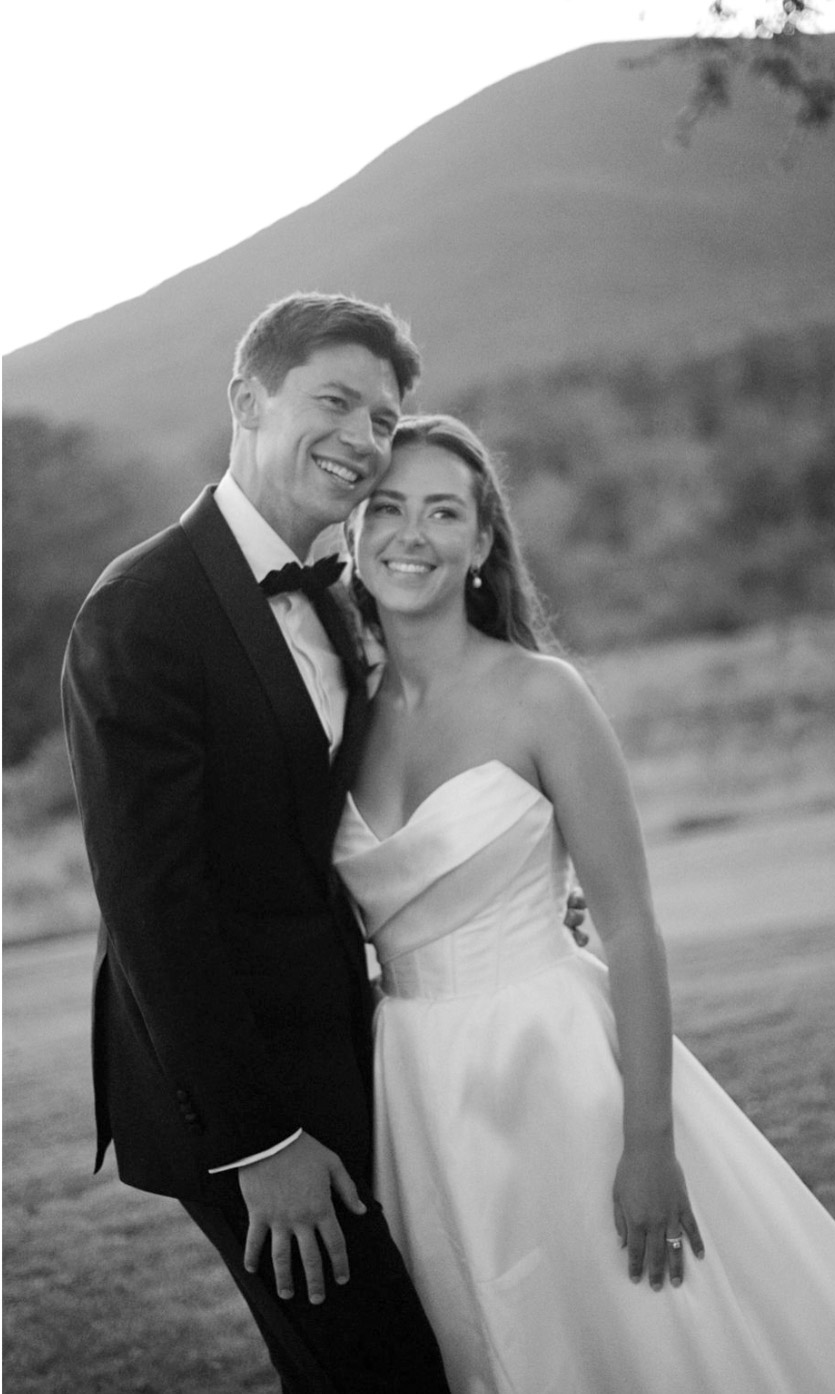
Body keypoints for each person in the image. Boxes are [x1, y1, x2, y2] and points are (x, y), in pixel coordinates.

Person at [332, 413, 835, 1394]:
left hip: (561, 1066)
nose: (411, 533)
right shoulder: (334, 718)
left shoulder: (542, 697)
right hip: (412, 1085)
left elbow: (631, 926)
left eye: (443, 511)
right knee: (488, 1334)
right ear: (351, 533)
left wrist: (646, 1137)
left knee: (646, 1332)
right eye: (385, 507)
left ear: (481, 543)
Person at [61, 293, 454, 1394]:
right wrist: (257, 1140)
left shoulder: (336, 600)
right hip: (234, 1093)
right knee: (384, 1371)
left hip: (343, 1052)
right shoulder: (141, 609)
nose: (364, 438)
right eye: (334, 401)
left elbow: (316, 834)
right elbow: (152, 903)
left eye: (382, 418)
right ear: (247, 400)